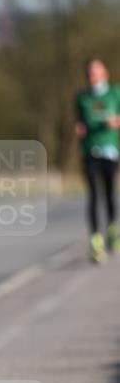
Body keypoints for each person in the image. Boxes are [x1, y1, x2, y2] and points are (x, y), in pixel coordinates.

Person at [73, 58, 120, 263]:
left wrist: (115, 121)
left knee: (109, 194)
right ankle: (95, 239)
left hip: (110, 151)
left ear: (104, 74)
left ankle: (112, 228)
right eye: (89, 72)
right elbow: (80, 123)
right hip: (90, 150)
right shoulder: (81, 98)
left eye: (95, 71)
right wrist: (80, 127)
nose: (92, 75)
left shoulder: (114, 94)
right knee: (93, 195)